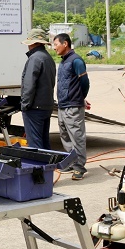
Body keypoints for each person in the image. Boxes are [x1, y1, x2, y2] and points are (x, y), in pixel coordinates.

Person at [53, 33, 90, 180]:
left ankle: (79, 167)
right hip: (63, 105)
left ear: (65, 44)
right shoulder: (64, 61)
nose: (54, 47)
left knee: (77, 137)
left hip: (73, 106)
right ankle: (71, 162)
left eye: (56, 44)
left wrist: (81, 98)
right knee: (65, 136)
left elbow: (85, 82)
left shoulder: (76, 61)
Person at [20, 29, 56, 149]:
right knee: (44, 142)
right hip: (46, 105)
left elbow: (29, 84)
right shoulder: (48, 58)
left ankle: (38, 167)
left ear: (33, 43)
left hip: (35, 107)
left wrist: (25, 105)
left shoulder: (35, 58)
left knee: (35, 144)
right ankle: (47, 167)